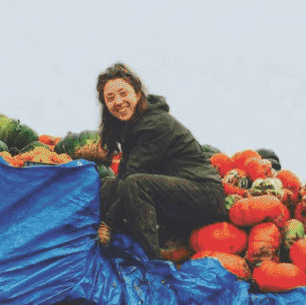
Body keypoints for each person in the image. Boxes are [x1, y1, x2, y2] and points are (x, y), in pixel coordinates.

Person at [94, 63, 225, 257]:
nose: (118, 101)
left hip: (204, 196)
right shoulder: (131, 126)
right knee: (109, 186)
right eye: (110, 98)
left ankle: (153, 259)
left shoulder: (155, 124)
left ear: (137, 94)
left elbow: (132, 176)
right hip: (177, 192)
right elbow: (122, 177)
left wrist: (108, 222)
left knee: (134, 185)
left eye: (123, 93)